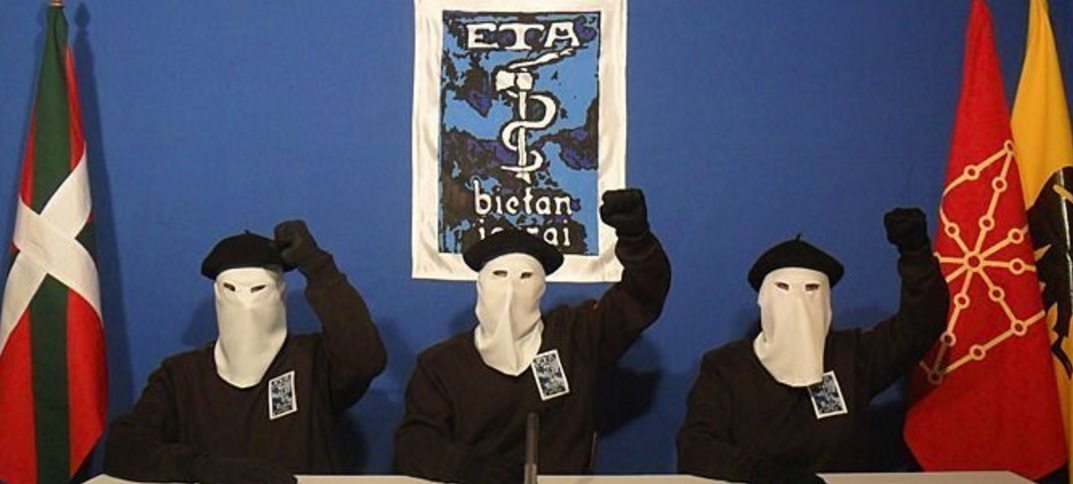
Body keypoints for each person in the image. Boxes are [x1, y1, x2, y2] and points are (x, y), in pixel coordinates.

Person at [395, 188, 672, 484]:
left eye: (525, 276)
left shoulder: (576, 337)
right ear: (480, 285)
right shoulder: (442, 366)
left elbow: (640, 296)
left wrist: (636, 240)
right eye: (499, 275)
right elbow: (415, 443)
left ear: (541, 287)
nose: (511, 289)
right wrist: (468, 468)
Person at [677, 208, 949, 484]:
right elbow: (695, 447)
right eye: (783, 288)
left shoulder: (854, 356)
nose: (797, 301)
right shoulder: (727, 368)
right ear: (764, 299)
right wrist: (761, 473)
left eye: (811, 289)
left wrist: (915, 254)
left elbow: (920, 325)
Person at [104, 220, 387, 483]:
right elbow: (123, 447)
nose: (246, 304)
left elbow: (365, 359)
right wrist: (201, 468)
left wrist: (318, 266)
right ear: (218, 295)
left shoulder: (314, 361)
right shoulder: (181, 377)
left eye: (258, 289)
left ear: (280, 294)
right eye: (232, 289)